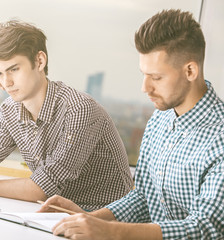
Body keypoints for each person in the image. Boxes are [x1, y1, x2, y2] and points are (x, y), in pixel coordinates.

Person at [38, 9, 224, 239]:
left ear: (190, 70)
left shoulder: (220, 138)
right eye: (143, 75)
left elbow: (206, 228)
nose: (145, 88)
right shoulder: (160, 119)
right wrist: (91, 218)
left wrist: (108, 231)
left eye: (156, 77)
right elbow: (144, 197)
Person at [0, 20, 133, 210]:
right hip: (56, 215)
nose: (6, 83)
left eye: (13, 69)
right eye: (0, 73)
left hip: (104, 221)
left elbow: (41, 188)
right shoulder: (11, 110)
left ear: (39, 61)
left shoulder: (79, 109)